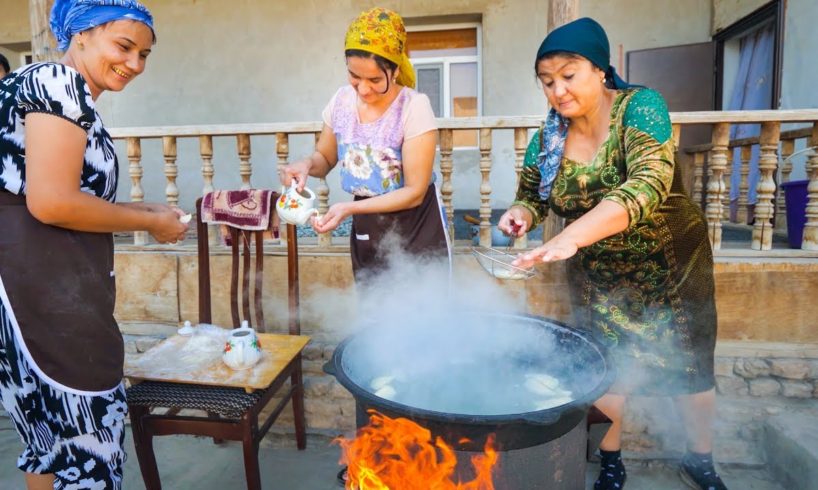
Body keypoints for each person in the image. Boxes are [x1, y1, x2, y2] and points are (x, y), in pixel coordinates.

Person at [498, 18, 726, 490]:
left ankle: (700, 458)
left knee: (691, 365)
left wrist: (569, 237)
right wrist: (520, 214)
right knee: (607, 371)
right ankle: (611, 460)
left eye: (568, 74)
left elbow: (648, 183)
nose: (557, 90)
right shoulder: (548, 141)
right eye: (547, 81)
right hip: (598, 275)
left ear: (601, 69)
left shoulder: (640, 109)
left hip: (671, 267)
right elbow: (533, 197)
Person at [0, 1, 187, 488]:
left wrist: (145, 212)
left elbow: (52, 192)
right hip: (41, 293)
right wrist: (146, 226)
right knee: (89, 448)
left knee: (48, 447)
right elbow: (51, 202)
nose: (135, 64)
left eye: (144, 54)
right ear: (80, 34)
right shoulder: (56, 83)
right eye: (124, 46)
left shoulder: (60, 94)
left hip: (32, 287)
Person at [280, 7, 450, 282]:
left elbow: (415, 191)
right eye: (354, 77)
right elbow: (326, 157)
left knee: (424, 311)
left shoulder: (413, 107)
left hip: (416, 223)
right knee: (374, 310)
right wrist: (307, 164)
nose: (363, 89)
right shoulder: (341, 101)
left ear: (395, 70)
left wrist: (348, 209)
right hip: (367, 224)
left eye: (374, 80)